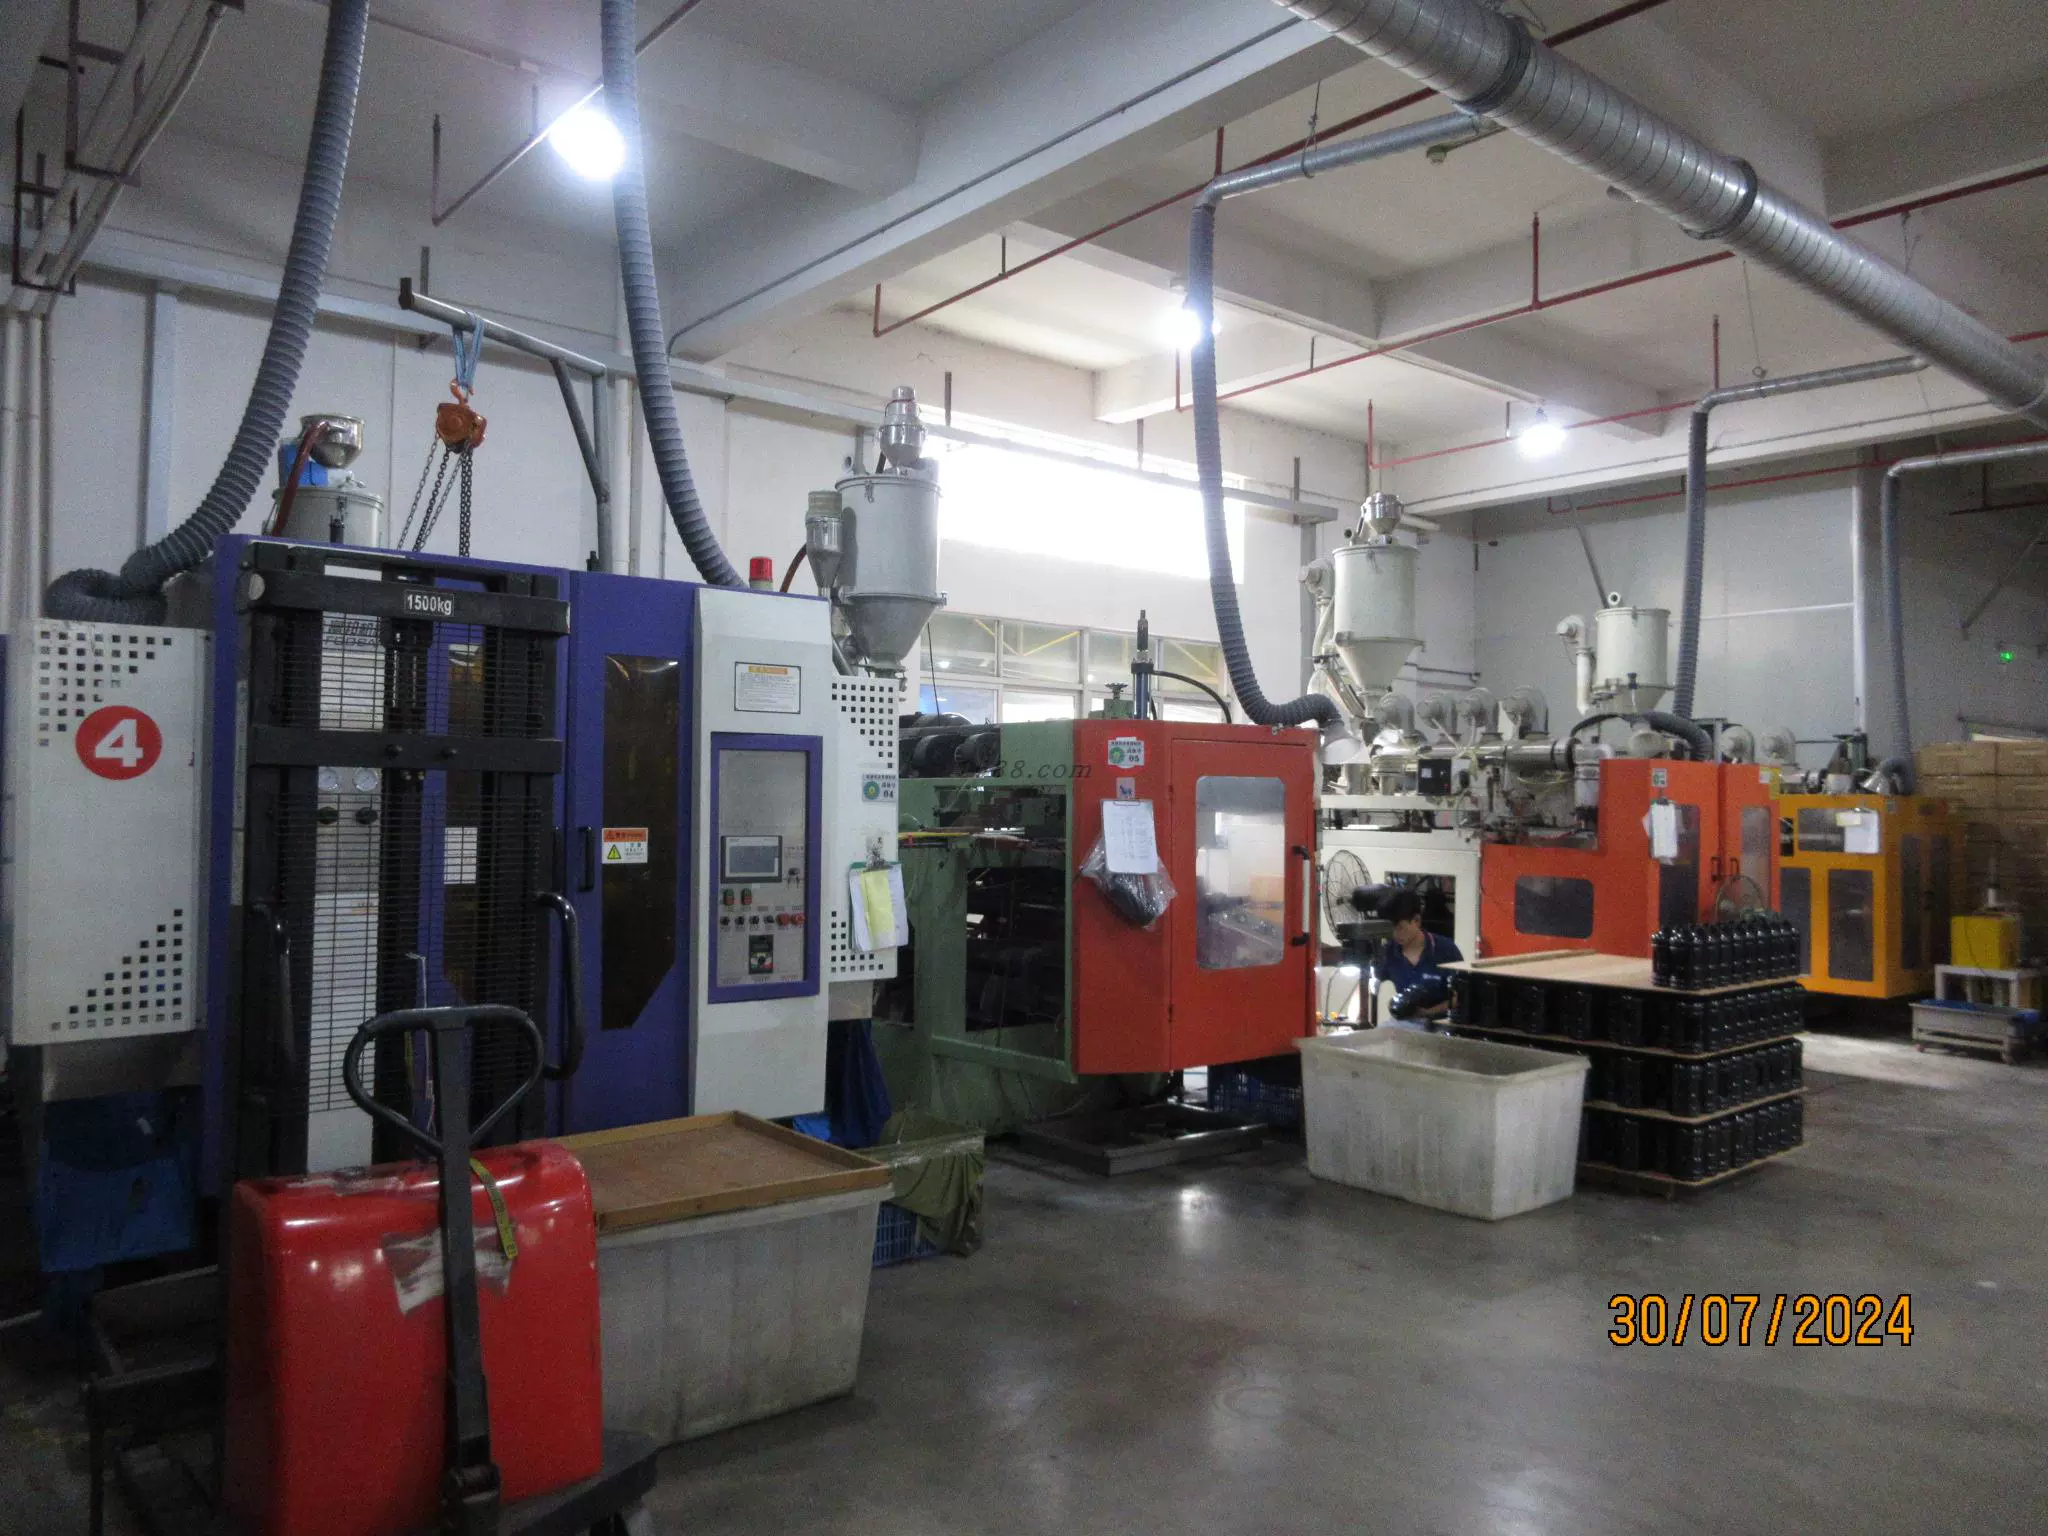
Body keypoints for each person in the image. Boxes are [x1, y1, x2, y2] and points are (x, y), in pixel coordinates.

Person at [1374, 889, 1462, 1025]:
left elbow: (1460, 997)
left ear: (1417, 920)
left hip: (1441, 1025)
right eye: (1390, 928)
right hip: (1404, 1024)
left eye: (1400, 928)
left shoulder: (1446, 950)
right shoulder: (1388, 952)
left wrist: (1429, 1013)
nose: (1395, 934)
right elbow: (1370, 982)